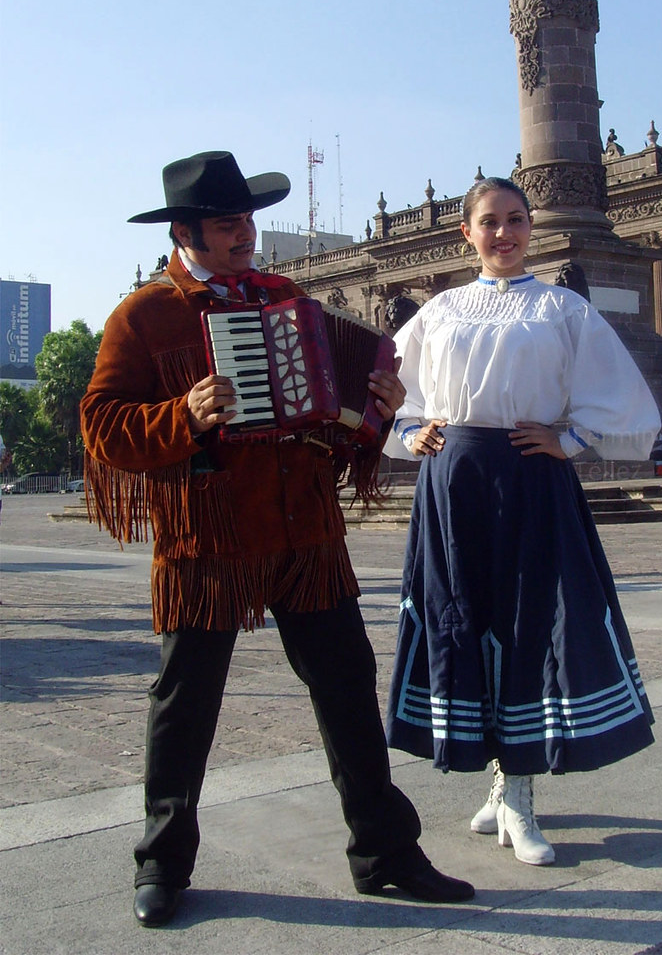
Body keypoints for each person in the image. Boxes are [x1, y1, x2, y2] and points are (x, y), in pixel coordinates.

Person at [80, 151, 474, 928]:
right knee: (184, 704)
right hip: (209, 538)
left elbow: (335, 425)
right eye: (230, 225)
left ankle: (385, 853)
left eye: (249, 221)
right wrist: (183, 416)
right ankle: (162, 864)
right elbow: (101, 429)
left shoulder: (286, 298)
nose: (247, 235)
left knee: (347, 689)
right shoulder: (143, 315)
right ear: (187, 231)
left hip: (304, 532)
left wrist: (379, 412)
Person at [382, 176, 659, 867]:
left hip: (532, 481)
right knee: (465, 621)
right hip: (454, 482)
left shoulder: (562, 309)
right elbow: (389, 385)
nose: (503, 233)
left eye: (516, 220)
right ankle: (496, 779)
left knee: (531, 622)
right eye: (489, 222)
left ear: (531, 226)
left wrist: (567, 441)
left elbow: (622, 398)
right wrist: (408, 430)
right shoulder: (440, 310)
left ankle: (520, 793)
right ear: (466, 234)